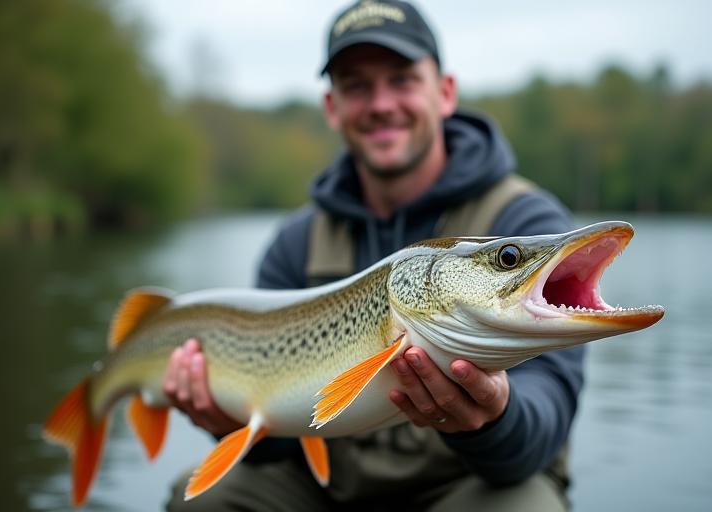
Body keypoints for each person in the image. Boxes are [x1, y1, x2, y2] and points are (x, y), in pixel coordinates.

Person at [165, 1, 583, 510]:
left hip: (468, 486)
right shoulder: (294, 243)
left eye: (402, 79)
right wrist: (223, 417)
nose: (381, 103)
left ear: (445, 92)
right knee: (201, 501)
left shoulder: (524, 223)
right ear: (332, 107)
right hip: (333, 490)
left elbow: (539, 432)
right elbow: (282, 444)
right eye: (357, 85)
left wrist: (493, 416)